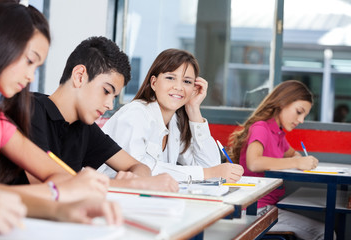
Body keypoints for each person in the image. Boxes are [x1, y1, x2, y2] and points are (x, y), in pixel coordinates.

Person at [0, 2, 121, 234]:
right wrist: (58, 194)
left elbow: (58, 175)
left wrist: (59, 208)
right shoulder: (35, 109)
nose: (30, 76)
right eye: (29, 60)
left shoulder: (2, 124)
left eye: (37, 67)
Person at [28, 36, 178, 192]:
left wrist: (137, 177)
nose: (109, 104)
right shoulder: (30, 108)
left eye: (114, 97)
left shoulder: (83, 126)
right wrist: (131, 184)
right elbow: (45, 182)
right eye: (106, 91)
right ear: (79, 76)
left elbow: (138, 166)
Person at [100, 49, 243, 182]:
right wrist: (207, 173)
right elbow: (139, 170)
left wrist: (193, 108)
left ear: (194, 88)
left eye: (187, 81)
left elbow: (210, 165)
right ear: (154, 83)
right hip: (104, 198)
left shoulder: (175, 122)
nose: (179, 87)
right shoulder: (136, 114)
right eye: (170, 78)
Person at [228, 80, 325, 239]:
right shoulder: (261, 128)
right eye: (299, 112)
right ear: (282, 102)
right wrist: (296, 162)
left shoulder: (278, 134)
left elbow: (294, 155)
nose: (300, 120)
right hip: (254, 209)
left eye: (304, 115)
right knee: (324, 232)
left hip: (268, 207)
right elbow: (254, 163)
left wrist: (298, 159)